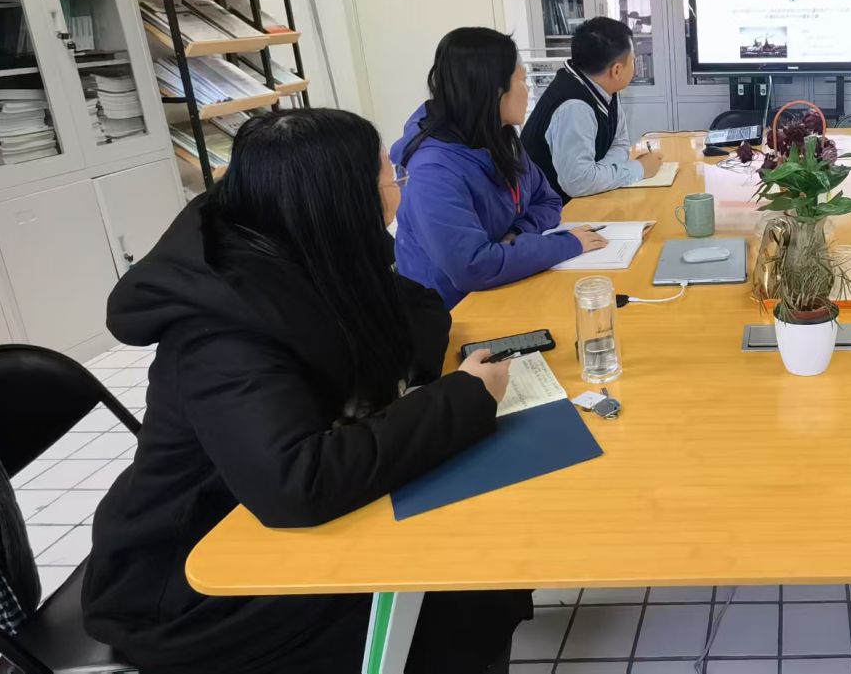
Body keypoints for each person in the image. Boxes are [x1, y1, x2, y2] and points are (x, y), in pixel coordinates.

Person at [84, 108, 532, 674]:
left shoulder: (303, 245)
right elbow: (296, 483)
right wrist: (463, 399)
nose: (398, 188)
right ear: (341, 201)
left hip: (259, 521)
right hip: (190, 586)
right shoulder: (221, 327)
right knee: (459, 586)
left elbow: (416, 312)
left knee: (477, 554)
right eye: (388, 177)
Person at [393, 27, 607, 308]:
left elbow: (548, 200)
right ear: (495, 90)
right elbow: (473, 267)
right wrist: (567, 244)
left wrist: (516, 235)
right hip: (455, 310)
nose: (527, 89)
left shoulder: (499, 137)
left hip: (507, 284)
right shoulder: (432, 171)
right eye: (521, 80)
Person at [518, 16, 661, 199]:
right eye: (633, 60)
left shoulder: (604, 87)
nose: (635, 66)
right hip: (555, 208)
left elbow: (620, 142)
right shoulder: (574, 107)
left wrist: (598, 174)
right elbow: (578, 183)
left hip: (585, 197)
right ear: (617, 70)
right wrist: (639, 169)